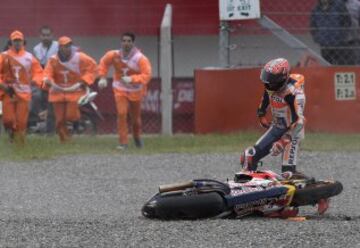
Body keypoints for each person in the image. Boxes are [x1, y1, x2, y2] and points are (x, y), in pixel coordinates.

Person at [240, 58, 306, 176]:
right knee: (248, 156)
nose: (267, 85)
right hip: (277, 127)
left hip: (292, 132)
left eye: (271, 82)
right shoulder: (270, 87)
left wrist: (283, 141)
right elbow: (265, 98)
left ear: (282, 79)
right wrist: (261, 115)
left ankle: (293, 180)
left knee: (287, 173)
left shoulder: (294, 94)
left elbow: (299, 122)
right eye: (267, 81)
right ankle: (248, 181)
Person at [98, 32, 152, 150]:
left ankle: (137, 137)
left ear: (133, 43)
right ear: (121, 42)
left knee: (135, 120)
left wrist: (132, 79)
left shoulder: (140, 58)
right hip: (120, 88)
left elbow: (147, 75)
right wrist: (102, 77)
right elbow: (103, 63)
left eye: (129, 41)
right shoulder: (113, 54)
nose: (126, 43)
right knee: (122, 113)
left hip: (135, 90)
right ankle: (123, 143)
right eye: (124, 41)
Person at [43, 36, 97, 142]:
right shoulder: (53, 60)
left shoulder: (80, 57)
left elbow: (93, 67)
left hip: (74, 90)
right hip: (57, 91)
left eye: (68, 46)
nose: (66, 48)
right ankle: (65, 141)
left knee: (71, 115)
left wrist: (83, 81)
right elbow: (47, 73)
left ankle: (76, 124)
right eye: (63, 46)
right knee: (59, 121)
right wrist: (48, 80)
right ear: (59, 48)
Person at [0, 30, 43, 144]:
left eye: (19, 41)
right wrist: (2, 85)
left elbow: (39, 72)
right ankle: (12, 133)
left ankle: (20, 145)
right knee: (8, 120)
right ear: (11, 42)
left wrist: (35, 80)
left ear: (23, 42)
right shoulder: (4, 56)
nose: (18, 43)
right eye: (15, 41)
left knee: (21, 121)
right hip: (9, 92)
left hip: (24, 93)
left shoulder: (29, 57)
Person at [30, 25, 59, 134]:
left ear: (52, 35)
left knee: (53, 103)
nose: (46, 37)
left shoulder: (58, 46)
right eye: (43, 35)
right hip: (42, 79)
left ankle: (53, 128)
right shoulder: (36, 49)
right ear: (40, 36)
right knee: (37, 97)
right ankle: (40, 123)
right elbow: (36, 66)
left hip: (56, 77)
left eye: (48, 35)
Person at [310, 0, 352, 65]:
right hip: (325, 45)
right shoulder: (316, 9)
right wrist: (317, 38)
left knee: (341, 66)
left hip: (339, 44)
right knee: (327, 66)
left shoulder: (339, 5)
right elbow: (313, 25)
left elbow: (347, 21)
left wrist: (342, 35)